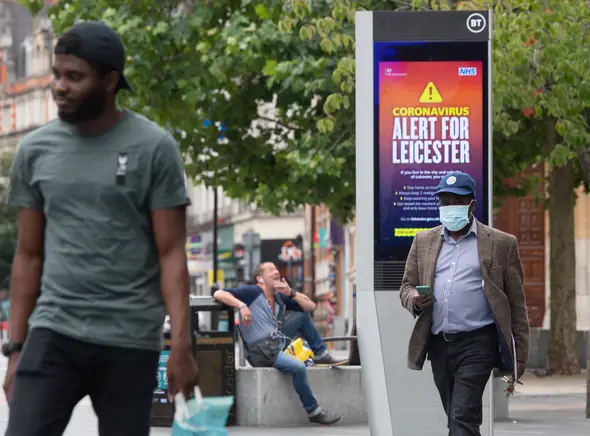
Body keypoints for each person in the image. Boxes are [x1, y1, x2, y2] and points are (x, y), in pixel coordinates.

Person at [3, 21, 197, 436]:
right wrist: (15, 350)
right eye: (57, 74)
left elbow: (171, 252)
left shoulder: (154, 148)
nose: (60, 86)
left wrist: (180, 343)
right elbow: (28, 254)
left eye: (75, 76)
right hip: (55, 329)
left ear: (110, 81)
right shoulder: (35, 151)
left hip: (129, 336)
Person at [399, 171, 529, 436]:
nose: (449, 208)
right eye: (444, 202)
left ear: (471, 204)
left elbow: (516, 303)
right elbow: (405, 286)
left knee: (463, 413)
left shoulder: (502, 244)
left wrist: (520, 355)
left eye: (455, 201)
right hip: (438, 344)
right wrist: (414, 298)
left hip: (478, 343)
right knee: (456, 417)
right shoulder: (423, 241)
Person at [213, 262, 344, 425]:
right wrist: (242, 305)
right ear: (260, 279)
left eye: (276, 270)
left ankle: (321, 354)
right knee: (299, 367)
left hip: (276, 341)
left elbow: (310, 306)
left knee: (302, 317)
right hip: (260, 351)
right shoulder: (251, 292)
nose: (276, 272)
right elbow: (218, 293)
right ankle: (314, 411)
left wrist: (291, 292)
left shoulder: (279, 298)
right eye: (270, 271)